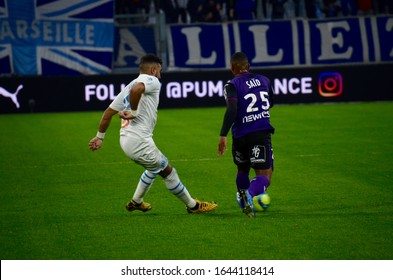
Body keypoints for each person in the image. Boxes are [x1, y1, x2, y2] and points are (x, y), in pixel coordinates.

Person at [89, 54, 217, 214]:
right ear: (153, 69)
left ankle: (136, 201)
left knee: (154, 167)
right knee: (169, 171)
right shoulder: (151, 81)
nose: (160, 75)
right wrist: (134, 112)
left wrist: (99, 137)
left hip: (126, 141)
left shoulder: (129, 85)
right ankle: (193, 206)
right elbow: (138, 89)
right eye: (160, 71)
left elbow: (108, 113)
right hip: (139, 142)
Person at [218, 52, 275, 218]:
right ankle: (248, 195)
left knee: (242, 170)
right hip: (259, 132)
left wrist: (223, 134)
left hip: (240, 135)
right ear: (248, 66)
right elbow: (270, 103)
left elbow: (232, 108)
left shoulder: (231, 85)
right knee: (265, 176)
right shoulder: (265, 80)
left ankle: (243, 199)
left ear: (232, 68)